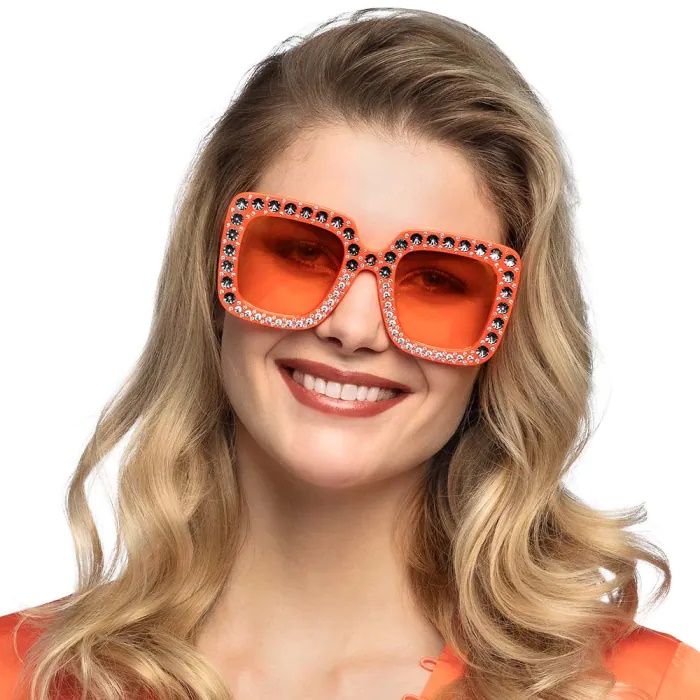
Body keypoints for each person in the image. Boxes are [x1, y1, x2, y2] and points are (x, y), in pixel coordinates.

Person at [1, 7, 698, 700]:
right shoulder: (23, 676)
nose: (355, 327)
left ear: (510, 332)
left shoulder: (643, 689)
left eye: (436, 280)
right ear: (212, 269)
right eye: (303, 252)